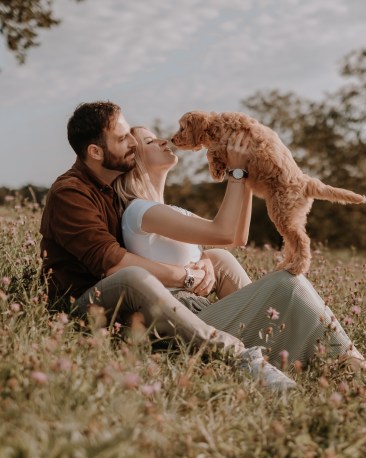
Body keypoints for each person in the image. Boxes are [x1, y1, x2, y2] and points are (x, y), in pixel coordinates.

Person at [40, 101, 296, 391]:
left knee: (217, 257)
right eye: (123, 139)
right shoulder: (71, 193)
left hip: (127, 302)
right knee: (132, 277)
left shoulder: (113, 191)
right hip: (83, 306)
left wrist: (203, 263)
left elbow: (229, 237)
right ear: (96, 152)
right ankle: (238, 354)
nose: (132, 145)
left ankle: (273, 337)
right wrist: (187, 275)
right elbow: (113, 262)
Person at [115, 124, 366, 375]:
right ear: (134, 160)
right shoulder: (140, 209)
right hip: (185, 323)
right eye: (149, 142)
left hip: (201, 312)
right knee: (288, 283)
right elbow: (223, 231)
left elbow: (236, 237)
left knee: (224, 257)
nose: (163, 140)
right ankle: (350, 362)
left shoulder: (171, 211)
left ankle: (336, 360)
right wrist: (236, 172)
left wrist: (247, 173)